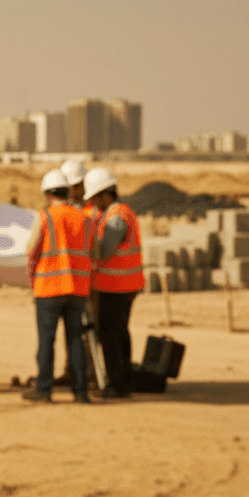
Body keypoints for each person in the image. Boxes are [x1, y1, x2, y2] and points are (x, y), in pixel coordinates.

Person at [26, 169, 92, 403]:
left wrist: (31, 279)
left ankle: (43, 390)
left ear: (48, 194)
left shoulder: (44, 217)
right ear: (68, 192)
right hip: (78, 289)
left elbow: (31, 252)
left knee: (47, 341)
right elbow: (91, 252)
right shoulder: (84, 218)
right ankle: (81, 392)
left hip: (49, 288)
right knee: (76, 341)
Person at [83, 167, 144, 398]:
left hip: (116, 286)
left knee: (110, 336)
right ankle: (122, 380)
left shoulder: (117, 217)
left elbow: (102, 251)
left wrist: (81, 245)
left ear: (103, 195)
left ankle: (117, 384)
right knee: (119, 333)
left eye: (94, 198)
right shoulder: (117, 213)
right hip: (122, 285)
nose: (92, 203)